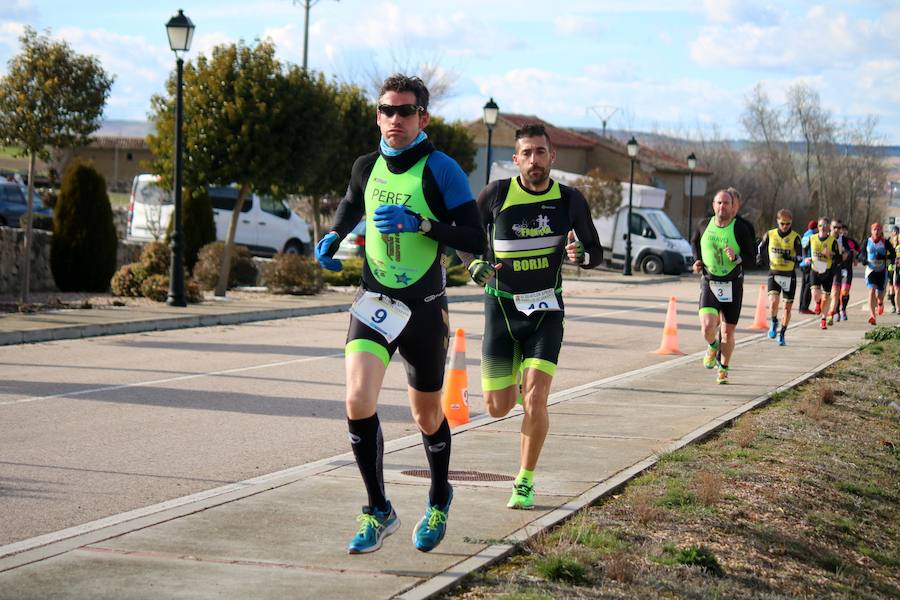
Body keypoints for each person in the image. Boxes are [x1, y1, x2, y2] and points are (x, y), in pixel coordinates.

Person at [314, 74, 485, 554]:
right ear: (378, 115)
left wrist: (423, 224)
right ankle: (378, 509)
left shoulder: (441, 169)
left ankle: (438, 497)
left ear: (423, 118)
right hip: (373, 300)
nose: (395, 119)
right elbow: (352, 205)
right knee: (356, 399)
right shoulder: (366, 166)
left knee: (426, 414)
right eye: (387, 110)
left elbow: (475, 237)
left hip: (424, 308)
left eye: (405, 111)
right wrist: (333, 235)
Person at [458, 123, 602, 510]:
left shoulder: (570, 200)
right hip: (501, 311)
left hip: (546, 312)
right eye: (527, 153)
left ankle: (524, 480)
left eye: (541, 152)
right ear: (516, 159)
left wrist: (582, 257)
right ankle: (516, 383)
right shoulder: (497, 194)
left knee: (537, 400)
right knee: (497, 408)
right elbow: (463, 236)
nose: (534, 160)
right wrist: (472, 264)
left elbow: (595, 250)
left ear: (552, 156)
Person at [691, 189, 757, 384]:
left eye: (726, 203)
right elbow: (695, 242)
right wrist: (697, 260)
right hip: (710, 281)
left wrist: (737, 258)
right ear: (714, 205)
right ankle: (712, 346)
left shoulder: (740, 228)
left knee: (727, 332)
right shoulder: (704, 224)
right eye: (719, 203)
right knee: (707, 327)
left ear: (732, 206)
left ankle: (723, 368)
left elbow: (752, 259)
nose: (722, 207)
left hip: (732, 285)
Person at [756, 209, 802, 346]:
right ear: (778, 221)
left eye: (788, 224)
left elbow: (801, 258)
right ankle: (774, 320)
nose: (785, 226)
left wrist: (791, 257)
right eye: (782, 223)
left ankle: (782, 333)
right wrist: (759, 257)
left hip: (789, 274)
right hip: (774, 272)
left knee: (787, 308)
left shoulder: (795, 237)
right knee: (773, 301)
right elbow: (760, 247)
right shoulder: (770, 234)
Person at [803, 218, 840, 329]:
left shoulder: (832, 241)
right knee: (815, 294)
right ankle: (817, 303)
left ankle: (823, 319)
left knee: (827, 297)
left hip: (827, 271)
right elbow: (804, 250)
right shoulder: (812, 238)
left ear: (828, 227)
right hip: (815, 269)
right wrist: (806, 258)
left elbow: (838, 258)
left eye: (825, 225)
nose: (822, 227)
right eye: (820, 225)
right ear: (817, 227)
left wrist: (831, 255)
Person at [861, 222, 896, 325]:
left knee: (880, 295)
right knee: (871, 290)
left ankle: (880, 303)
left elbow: (893, 254)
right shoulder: (867, 241)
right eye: (874, 229)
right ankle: (872, 316)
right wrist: (863, 259)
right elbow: (861, 254)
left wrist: (887, 259)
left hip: (881, 271)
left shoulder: (885, 242)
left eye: (878, 229)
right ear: (871, 231)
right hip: (871, 270)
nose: (876, 231)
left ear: (881, 231)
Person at [834, 224, 859, 321]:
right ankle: (836, 312)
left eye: (845, 231)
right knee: (836, 292)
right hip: (837, 270)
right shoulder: (834, 240)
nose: (843, 233)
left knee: (845, 292)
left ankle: (843, 309)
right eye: (841, 231)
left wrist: (856, 258)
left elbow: (859, 251)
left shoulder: (851, 242)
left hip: (847, 270)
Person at [826, 219, 848, 321]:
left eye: (838, 228)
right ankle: (824, 311)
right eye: (834, 227)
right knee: (826, 294)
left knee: (835, 292)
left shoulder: (843, 240)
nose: (836, 230)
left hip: (837, 268)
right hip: (824, 268)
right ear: (830, 227)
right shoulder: (824, 237)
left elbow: (846, 254)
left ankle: (832, 314)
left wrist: (844, 253)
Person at [798, 219, 818, 314]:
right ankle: (805, 307)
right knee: (808, 286)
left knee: (803, 286)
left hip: (803, 263)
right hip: (809, 263)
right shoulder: (813, 237)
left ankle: (801, 307)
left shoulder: (805, 235)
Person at [888, 225, 900, 313]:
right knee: (891, 287)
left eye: (897, 231)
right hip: (891, 268)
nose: (895, 233)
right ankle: (893, 306)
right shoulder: (889, 243)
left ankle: (896, 306)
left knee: (896, 288)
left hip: (897, 268)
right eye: (894, 231)